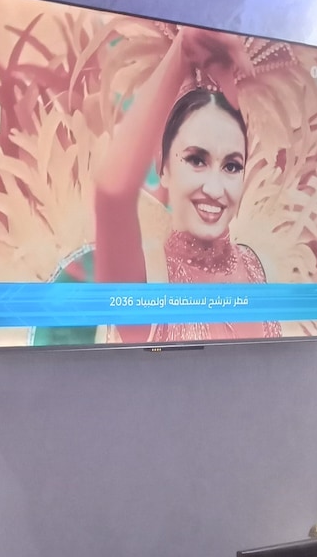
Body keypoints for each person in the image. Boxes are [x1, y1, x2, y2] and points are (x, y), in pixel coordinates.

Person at [93, 26, 282, 344]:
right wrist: (180, 54)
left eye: (232, 166)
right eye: (196, 160)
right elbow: (112, 196)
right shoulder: (149, 280)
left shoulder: (256, 266)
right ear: (163, 168)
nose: (215, 189)